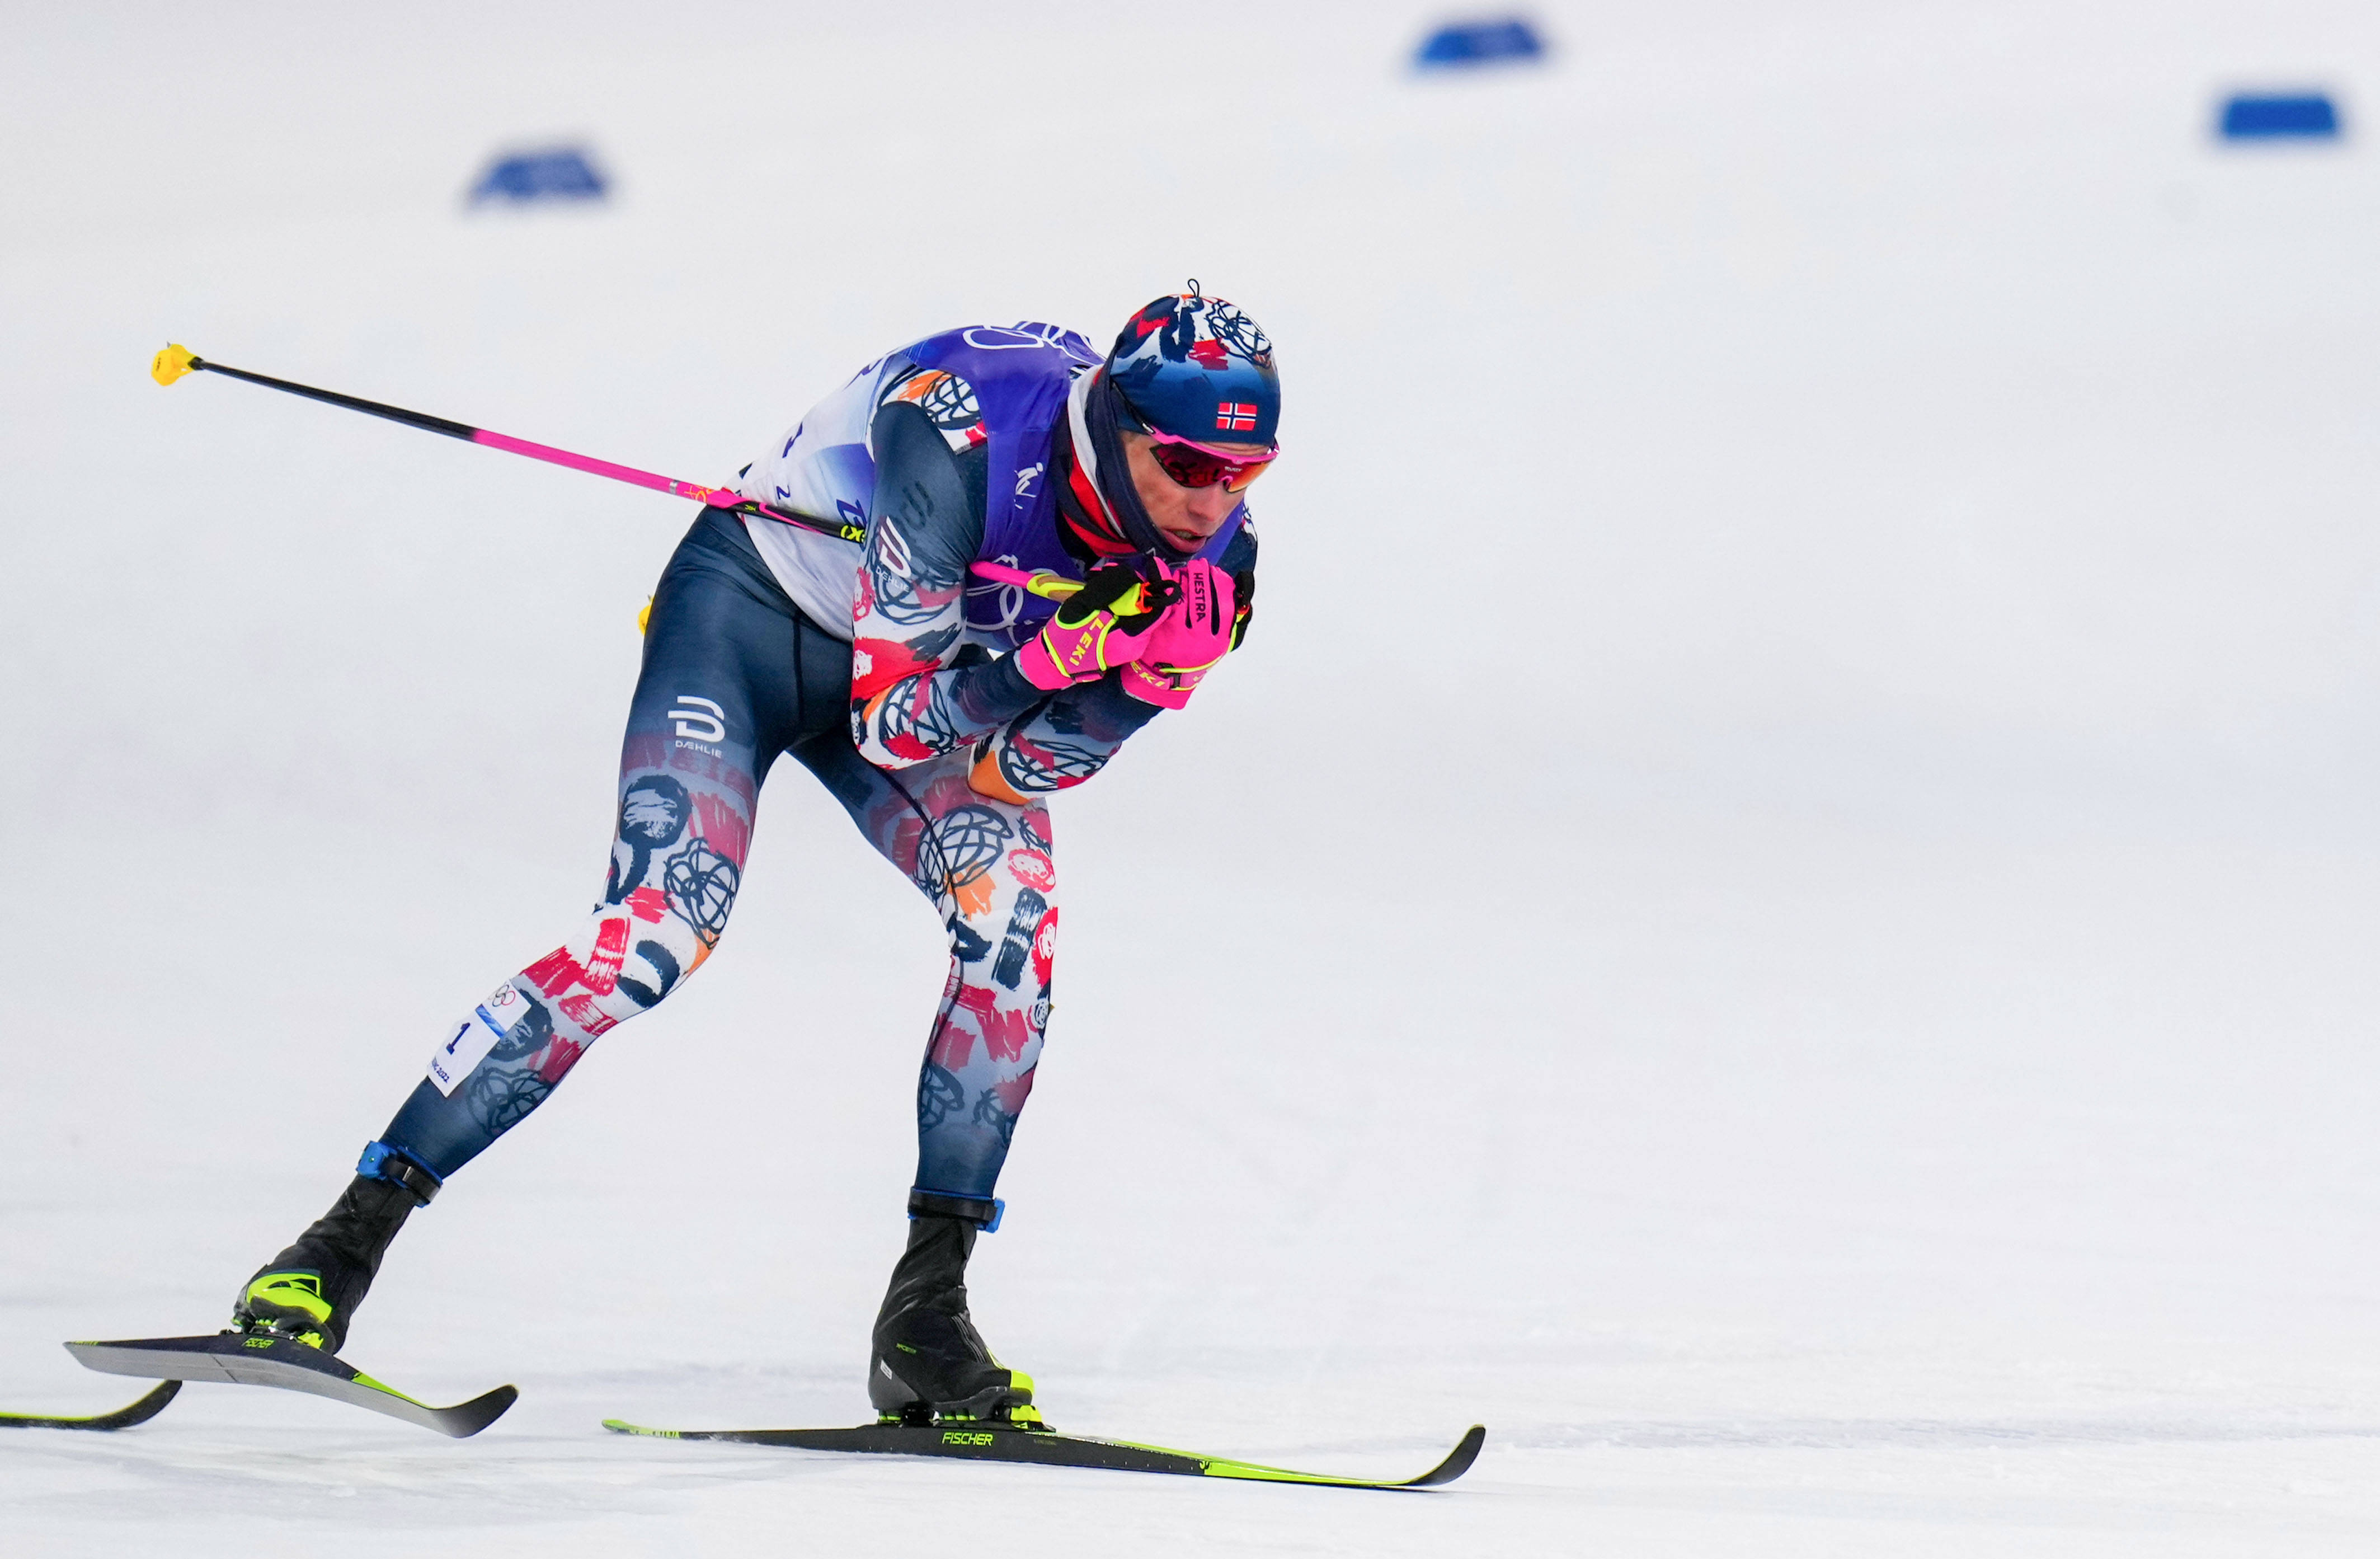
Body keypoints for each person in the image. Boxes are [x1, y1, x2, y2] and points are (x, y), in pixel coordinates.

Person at [223, 288, 1278, 1429]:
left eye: (1246, 469)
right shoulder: (963, 432)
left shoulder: (1224, 557)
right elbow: (892, 730)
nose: (1212, 497)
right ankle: (333, 1252)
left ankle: (927, 1317)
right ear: (1116, 421)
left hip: (920, 680)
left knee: (1014, 920)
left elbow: (1007, 777)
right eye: (1186, 461)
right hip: (749, 620)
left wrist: (1137, 689)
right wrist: (1057, 655)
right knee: (657, 934)